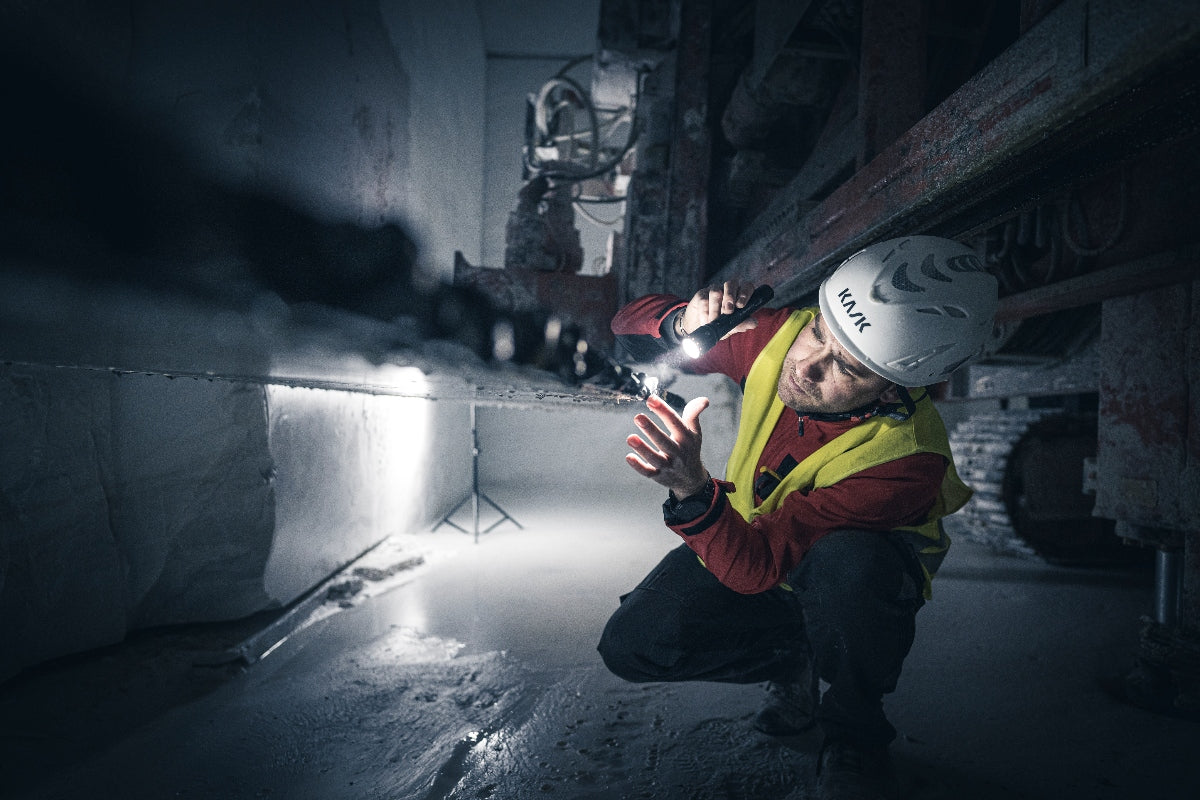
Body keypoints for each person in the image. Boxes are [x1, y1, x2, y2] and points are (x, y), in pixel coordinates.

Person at [596, 236, 998, 800]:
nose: (807, 367)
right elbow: (624, 328)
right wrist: (682, 321)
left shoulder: (905, 459)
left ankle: (855, 731)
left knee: (849, 566)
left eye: (848, 370)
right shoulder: (778, 336)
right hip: (753, 541)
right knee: (633, 645)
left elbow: (760, 569)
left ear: (895, 387)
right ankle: (793, 662)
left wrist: (691, 489)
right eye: (819, 334)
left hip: (837, 580)